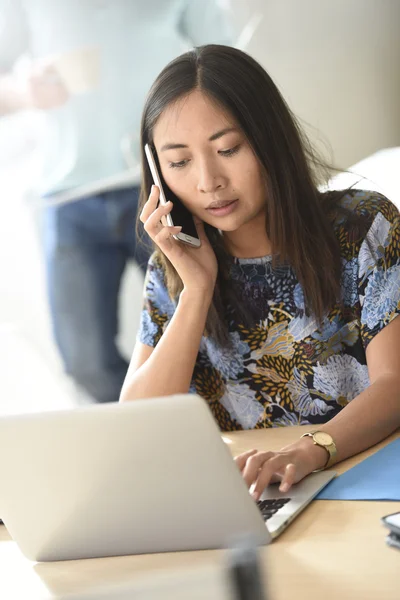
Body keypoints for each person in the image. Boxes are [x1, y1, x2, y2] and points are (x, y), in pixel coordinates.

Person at [120, 44, 400, 496]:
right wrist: (197, 289)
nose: (208, 181)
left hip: (363, 475)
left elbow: (395, 384)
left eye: (227, 149)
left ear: (269, 139)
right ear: (158, 172)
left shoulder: (365, 225)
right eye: (179, 162)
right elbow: (134, 428)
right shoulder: (173, 267)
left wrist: (308, 450)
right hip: (252, 497)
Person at [0, 1, 234, 404]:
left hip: (161, 183)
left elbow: (225, 62)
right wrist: (25, 92)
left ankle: (208, 439)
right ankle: (146, 438)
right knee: (84, 360)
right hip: (68, 196)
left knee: (212, 335)